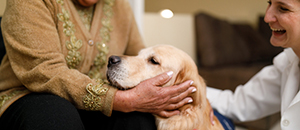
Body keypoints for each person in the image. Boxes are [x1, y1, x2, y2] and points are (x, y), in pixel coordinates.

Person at [0, 0, 196, 129]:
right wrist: (125, 100)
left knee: (139, 122)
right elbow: (44, 71)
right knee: (55, 116)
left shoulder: (120, 6)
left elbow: (139, 59)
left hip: (104, 102)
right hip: (28, 96)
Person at [207, 0, 300, 129]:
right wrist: (185, 89)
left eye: (283, 8)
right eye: (269, 3)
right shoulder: (287, 63)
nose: (267, 17)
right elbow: (237, 104)